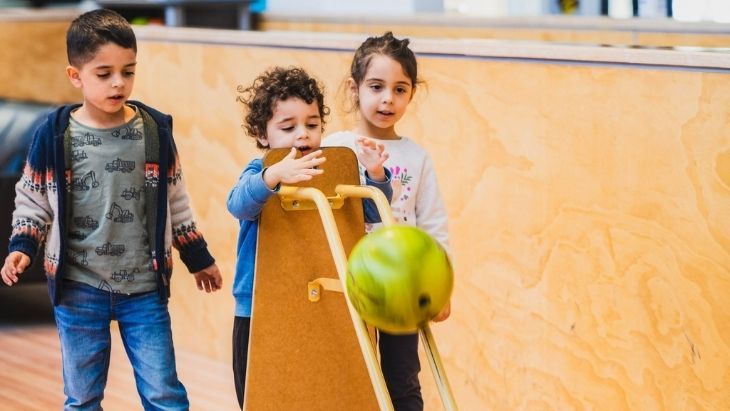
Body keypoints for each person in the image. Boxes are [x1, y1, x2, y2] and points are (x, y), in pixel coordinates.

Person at [0, 9, 222, 410]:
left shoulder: (154, 132)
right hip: (78, 288)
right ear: (76, 76)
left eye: (128, 71)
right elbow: (32, 201)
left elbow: (176, 200)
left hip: (144, 289)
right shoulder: (53, 136)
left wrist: (198, 257)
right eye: (104, 74)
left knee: (164, 394)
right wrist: (23, 246)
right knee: (82, 397)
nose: (119, 83)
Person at [227, 66, 393, 409]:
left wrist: (376, 176)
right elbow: (238, 204)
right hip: (258, 304)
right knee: (261, 391)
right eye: (288, 128)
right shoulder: (259, 171)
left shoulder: (329, 170)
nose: (303, 135)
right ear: (262, 133)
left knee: (316, 382)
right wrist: (273, 176)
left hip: (315, 297)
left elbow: (369, 213)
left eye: (313, 125)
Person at [322, 31, 452, 411]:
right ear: (354, 87)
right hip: (348, 282)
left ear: (412, 93)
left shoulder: (417, 156)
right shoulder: (336, 146)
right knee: (351, 375)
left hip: (402, 286)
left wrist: (442, 285)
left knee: (402, 376)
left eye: (400, 89)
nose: (387, 99)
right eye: (376, 86)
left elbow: (433, 223)